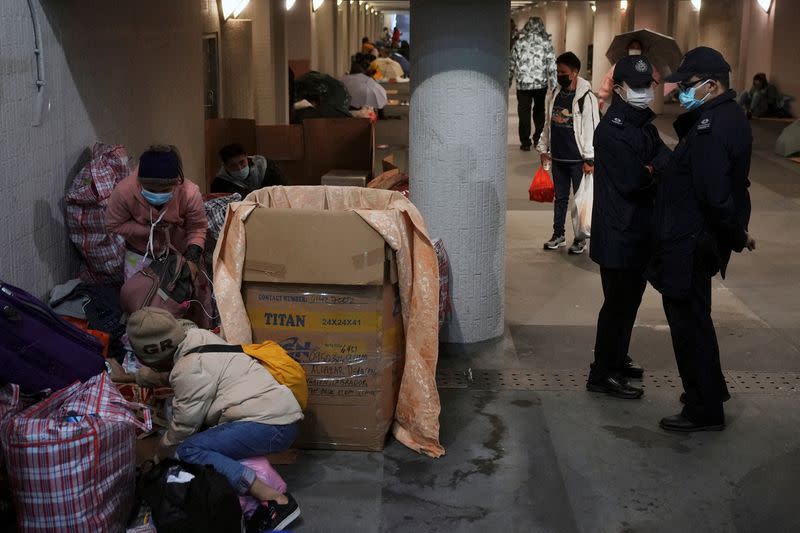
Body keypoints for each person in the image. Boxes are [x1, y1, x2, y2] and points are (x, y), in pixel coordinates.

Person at [647, 46, 756, 432]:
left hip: (691, 240)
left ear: (711, 85)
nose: (680, 92)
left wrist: (737, 234)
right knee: (697, 318)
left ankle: (703, 408)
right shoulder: (725, 115)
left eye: (689, 85)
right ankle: (710, 390)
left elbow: (714, 194)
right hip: (698, 236)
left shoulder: (711, 128)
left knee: (689, 324)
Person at [127, 307, 303, 531]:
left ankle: (275, 498)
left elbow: (181, 429)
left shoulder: (188, 369)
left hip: (271, 425)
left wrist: (159, 454)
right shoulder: (198, 337)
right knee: (202, 441)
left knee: (188, 450)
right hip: (278, 415)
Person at [587, 55, 672, 399]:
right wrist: (650, 171)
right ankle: (601, 373)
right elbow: (635, 180)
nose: (644, 92)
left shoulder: (643, 126)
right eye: (636, 87)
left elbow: (666, 161)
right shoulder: (612, 131)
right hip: (618, 233)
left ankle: (617, 359)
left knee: (629, 303)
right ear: (619, 89)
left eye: (647, 85)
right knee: (617, 306)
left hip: (639, 231)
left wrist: (652, 169)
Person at [106, 145, 206, 282]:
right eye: (150, 190)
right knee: (138, 298)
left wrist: (191, 260)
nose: (157, 195)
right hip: (140, 251)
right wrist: (147, 230)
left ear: (177, 182)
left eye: (165, 190)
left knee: (185, 295)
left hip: (180, 251)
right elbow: (113, 224)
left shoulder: (190, 193)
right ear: (139, 183)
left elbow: (197, 228)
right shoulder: (124, 191)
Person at [537, 51, 600, 254]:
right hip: (558, 157)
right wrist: (543, 148)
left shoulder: (586, 98)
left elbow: (592, 128)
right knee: (561, 198)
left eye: (563, 72)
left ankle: (580, 238)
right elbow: (548, 124)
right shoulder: (555, 93)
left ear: (575, 72)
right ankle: (558, 234)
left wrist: (590, 158)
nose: (559, 75)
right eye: (557, 72)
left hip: (578, 159)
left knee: (580, 201)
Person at [509, 17, 557, 151]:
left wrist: (508, 80)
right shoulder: (546, 43)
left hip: (523, 85)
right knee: (539, 111)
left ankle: (525, 142)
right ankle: (538, 139)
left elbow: (511, 63)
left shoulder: (520, 43)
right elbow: (552, 65)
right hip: (540, 84)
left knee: (524, 112)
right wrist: (554, 85)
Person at [598, 40, 662, 112]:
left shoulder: (646, 64)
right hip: (623, 99)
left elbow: (656, 77)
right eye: (632, 47)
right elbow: (608, 80)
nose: (635, 49)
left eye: (638, 48)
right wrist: (602, 97)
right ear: (628, 49)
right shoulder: (620, 64)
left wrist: (646, 90)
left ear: (641, 50)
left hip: (640, 102)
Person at [212, 144, 286, 196]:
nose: (239, 168)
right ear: (225, 166)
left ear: (246, 157)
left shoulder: (268, 168)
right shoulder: (219, 184)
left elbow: (285, 191)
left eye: (242, 162)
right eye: (233, 166)